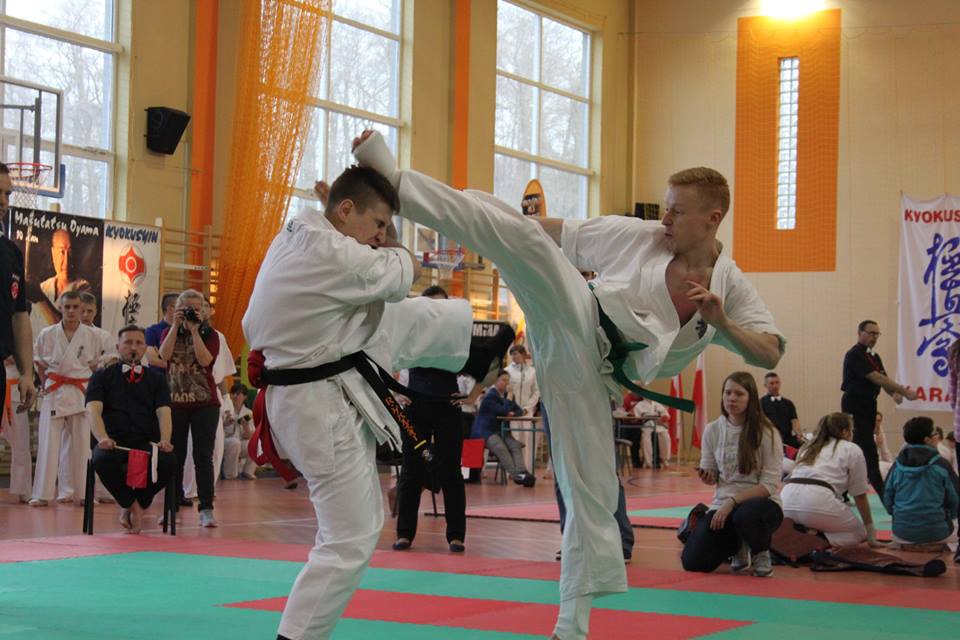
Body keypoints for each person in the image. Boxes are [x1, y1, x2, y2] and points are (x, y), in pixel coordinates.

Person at [353, 131, 784, 640]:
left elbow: (770, 350)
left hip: (593, 378)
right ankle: (395, 183)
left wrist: (723, 323)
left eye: (677, 211)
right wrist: (508, 220)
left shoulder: (729, 285)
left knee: (589, 492)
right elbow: (553, 231)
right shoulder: (641, 236)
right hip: (579, 316)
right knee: (523, 238)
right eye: (666, 208)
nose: (665, 219)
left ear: (712, 218)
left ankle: (570, 625)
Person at [243, 165, 473, 640]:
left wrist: (361, 219)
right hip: (317, 406)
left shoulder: (301, 228)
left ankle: (474, 341)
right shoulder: (332, 253)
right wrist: (396, 246)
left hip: (310, 390)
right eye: (379, 223)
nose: (381, 235)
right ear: (346, 210)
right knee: (348, 537)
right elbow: (400, 274)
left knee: (362, 526)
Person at [681, 372, 783, 577]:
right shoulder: (712, 430)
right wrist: (708, 476)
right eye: (727, 393)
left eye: (739, 394)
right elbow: (711, 472)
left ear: (751, 398)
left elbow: (769, 485)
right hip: (723, 506)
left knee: (746, 515)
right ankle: (737, 545)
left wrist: (732, 502)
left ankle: (761, 552)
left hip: (761, 505)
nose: (731, 398)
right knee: (693, 561)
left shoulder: (767, 432)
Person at [86, 325, 176, 533]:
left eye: (138, 343)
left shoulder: (157, 379)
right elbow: (93, 410)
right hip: (113, 443)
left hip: (146, 442)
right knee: (102, 459)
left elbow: (164, 412)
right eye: (128, 343)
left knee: (168, 461)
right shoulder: (101, 376)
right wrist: (102, 438)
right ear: (118, 347)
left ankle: (135, 503)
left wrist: (165, 439)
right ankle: (133, 506)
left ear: (145, 348)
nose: (133, 347)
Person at [29, 291, 100, 506]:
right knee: (48, 444)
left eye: (75, 307)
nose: (71, 311)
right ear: (60, 308)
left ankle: (84, 494)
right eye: (67, 307)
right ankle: (42, 494)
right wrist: (46, 385)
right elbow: (40, 365)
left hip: (80, 391)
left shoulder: (91, 335)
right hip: (55, 391)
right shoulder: (47, 334)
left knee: (82, 445)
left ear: (81, 309)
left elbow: (94, 366)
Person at [158, 289, 221, 527]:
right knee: (175, 456)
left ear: (203, 310)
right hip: (175, 402)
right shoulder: (168, 331)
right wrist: (176, 326)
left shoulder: (211, 334)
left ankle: (206, 508)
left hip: (205, 403)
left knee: (203, 456)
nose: (193, 313)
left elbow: (205, 360)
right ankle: (171, 506)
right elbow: (164, 355)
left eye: (197, 309)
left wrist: (195, 331)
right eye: (187, 309)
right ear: (177, 310)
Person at [841, 320, 918, 496]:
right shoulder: (854, 354)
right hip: (855, 405)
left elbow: (884, 379)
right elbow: (876, 378)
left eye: (877, 334)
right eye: (871, 333)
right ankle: (884, 496)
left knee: (859, 449)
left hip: (869, 404)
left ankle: (846, 491)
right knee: (867, 450)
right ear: (860, 333)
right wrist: (904, 392)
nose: (874, 337)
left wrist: (894, 394)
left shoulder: (874, 356)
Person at [56, 291, 118, 503]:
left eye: (89, 311)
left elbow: (112, 359)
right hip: (71, 391)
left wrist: (98, 365)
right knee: (68, 443)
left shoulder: (102, 335)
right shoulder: (62, 333)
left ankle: (98, 489)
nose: (84, 315)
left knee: (96, 442)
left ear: (96, 312)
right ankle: (67, 489)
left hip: (97, 393)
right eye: (82, 310)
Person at [781, 412, 879, 547]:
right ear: (845, 432)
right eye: (851, 430)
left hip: (786, 502)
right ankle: (818, 538)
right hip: (817, 502)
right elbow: (859, 495)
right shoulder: (851, 449)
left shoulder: (807, 448)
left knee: (813, 517)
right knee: (859, 532)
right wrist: (871, 532)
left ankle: (801, 532)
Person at [0, 163, 36, 451]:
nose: (3, 201)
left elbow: (20, 317)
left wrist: (26, 373)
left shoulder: (11, 252)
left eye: (7, 194)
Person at [883, 416, 959, 549]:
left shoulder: (896, 466)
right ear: (927, 440)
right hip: (938, 533)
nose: (938, 437)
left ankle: (906, 544)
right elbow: (955, 499)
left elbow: (887, 499)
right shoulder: (942, 465)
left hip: (901, 533)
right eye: (935, 433)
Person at [472, 370, 535, 487]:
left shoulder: (507, 396)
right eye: (504, 380)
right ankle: (516, 476)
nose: (506, 383)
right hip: (486, 431)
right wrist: (509, 401)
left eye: (508, 381)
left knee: (515, 445)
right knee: (501, 447)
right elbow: (503, 411)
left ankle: (522, 471)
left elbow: (519, 411)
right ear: (495, 381)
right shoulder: (490, 396)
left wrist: (512, 413)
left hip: (501, 431)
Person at [38, 229, 91, 313]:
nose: (66, 261)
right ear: (53, 253)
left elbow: (67, 319)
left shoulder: (83, 287)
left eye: (70, 252)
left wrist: (41, 302)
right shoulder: (43, 288)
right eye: (61, 252)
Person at [1, 356, 31, 502]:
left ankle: (23, 489)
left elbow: (26, 357)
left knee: (21, 442)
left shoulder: (21, 340)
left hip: (15, 390)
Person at [222, 381, 256, 480]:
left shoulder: (249, 413)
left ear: (244, 396)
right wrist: (225, 423)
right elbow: (217, 431)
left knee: (256, 444)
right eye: (233, 393)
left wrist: (246, 426)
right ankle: (230, 475)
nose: (235, 396)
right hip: (226, 441)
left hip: (240, 442)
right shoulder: (225, 410)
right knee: (235, 443)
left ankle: (248, 471)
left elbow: (248, 436)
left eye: (238, 394)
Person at [760, 371, 803, 449]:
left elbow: (794, 421)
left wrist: (799, 434)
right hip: (770, 440)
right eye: (772, 383)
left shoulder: (788, 403)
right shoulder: (760, 403)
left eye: (777, 383)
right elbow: (763, 423)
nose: (775, 386)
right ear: (765, 385)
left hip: (788, 439)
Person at [632, 394, 670, 468]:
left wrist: (663, 418)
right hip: (647, 424)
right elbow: (636, 417)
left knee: (665, 436)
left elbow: (666, 415)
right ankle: (648, 461)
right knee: (645, 437)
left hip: (658, 424)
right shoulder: (639, 405)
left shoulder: (657, 404)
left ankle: (664, 458)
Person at [145, 292, 178, 368]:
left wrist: (162, 357)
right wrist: (176, 367)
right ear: (170, 308)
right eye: (181, 307)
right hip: (158, 374)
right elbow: (152, 359)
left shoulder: (185, 330)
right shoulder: (152, 331)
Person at [505, 344, 539, 416]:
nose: (513, 357)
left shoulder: (532, 371)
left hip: (527, 413)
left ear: (523, 354)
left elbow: (536, 392)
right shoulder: (506, 371)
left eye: (515, 354)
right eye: (512, 354)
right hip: (511, 412)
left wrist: (527, 408)